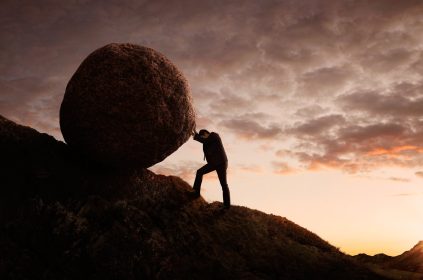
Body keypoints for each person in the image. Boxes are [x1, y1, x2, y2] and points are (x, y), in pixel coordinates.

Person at [192, 128, 230, 209]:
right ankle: (195, 193)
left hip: (221, 163)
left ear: (206, 133)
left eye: (203, 136)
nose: (203, 137)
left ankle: (226, 206)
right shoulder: (206, 141)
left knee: (223, 184)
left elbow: (204, 140)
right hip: (213, 163)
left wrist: (196, 136)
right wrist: (197, 135)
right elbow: (204, 141)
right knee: (199, 172)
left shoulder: (214, 135)